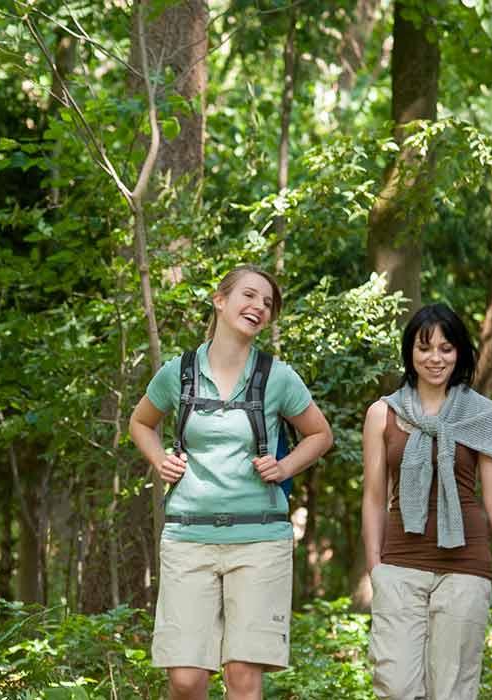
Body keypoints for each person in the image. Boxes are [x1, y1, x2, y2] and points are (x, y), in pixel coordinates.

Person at [127, 264, 336, 700]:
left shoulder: (277, 376)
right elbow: (141, 423)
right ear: (219, 301)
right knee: (185, 679)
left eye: (267, 303)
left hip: (261, 539)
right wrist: (159, 459)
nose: (259, 306)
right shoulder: (178, 373)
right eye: (249, 295)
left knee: (242, 675)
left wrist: (285, 467)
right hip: (188, 537)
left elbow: (320, 434)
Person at [362, 303, 492, 700]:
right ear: (410, 353)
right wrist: (376, 568)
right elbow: (373, 498)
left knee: (452, 688)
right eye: (425, 348)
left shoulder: (483, 414)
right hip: (400, 563)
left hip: (465, 567)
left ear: (460, 353)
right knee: (396, 685)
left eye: (446, 348)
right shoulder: (383, 413)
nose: (435, 358)